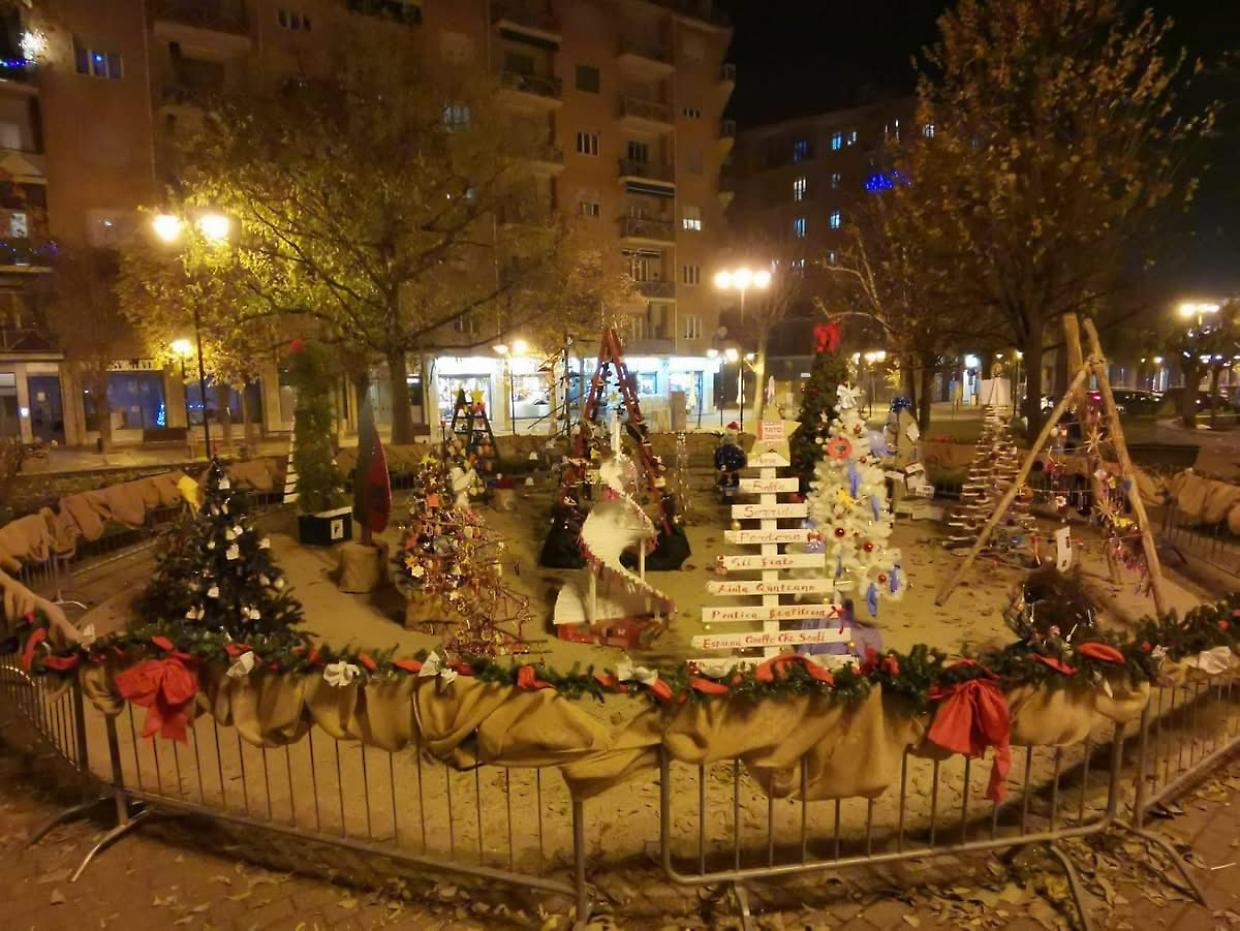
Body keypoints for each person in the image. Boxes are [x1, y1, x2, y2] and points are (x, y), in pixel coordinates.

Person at [714, 422, 746, 500]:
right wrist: (740, 465)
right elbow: (742, 460)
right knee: (731, 482)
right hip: (733, 471)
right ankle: (729, 496)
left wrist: (720, 466)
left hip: (725, 471)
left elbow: (717, 459)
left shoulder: (720, 450)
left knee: (725, 482)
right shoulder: (738, 450)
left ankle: (727, 496)